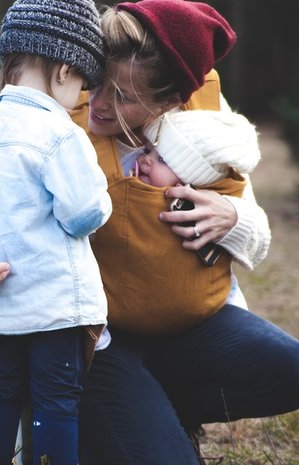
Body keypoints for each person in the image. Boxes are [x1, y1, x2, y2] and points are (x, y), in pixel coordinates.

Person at [0, 1, 299, 464]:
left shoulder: (204, 127)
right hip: (98, 339)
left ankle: (153, 414)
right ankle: (111, 418)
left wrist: (234, 218)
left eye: (125, 96)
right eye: (98, 84)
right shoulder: (58, 121)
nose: (101, 104)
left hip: (188, 327)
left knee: (291, 370)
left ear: (170, 101)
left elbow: (257, 232)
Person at [0, 1, 111, 464]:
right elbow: (83, 213)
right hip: (53, 305)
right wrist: (101, 198)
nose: (81, 97)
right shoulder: (58, 132)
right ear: (65, 70)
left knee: (0, 393)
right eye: (83, 83)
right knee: (56, 403)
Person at [97, 109, 262, 335]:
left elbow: (257, 243)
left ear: (191, 183)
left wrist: (235, 217)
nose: (145, 160)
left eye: (162, 160)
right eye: (147, 151)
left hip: (205, 314)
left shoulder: (205, 203)